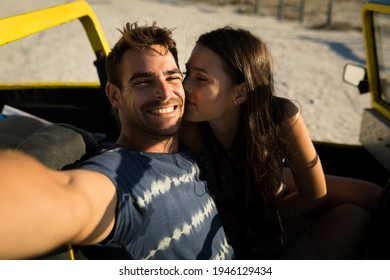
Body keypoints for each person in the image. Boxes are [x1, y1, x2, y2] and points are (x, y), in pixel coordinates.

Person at [0, 22, 235, 260]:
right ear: (115, 95)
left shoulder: (192, 142)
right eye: (144, 82)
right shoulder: (119, 175)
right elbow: (68, 200)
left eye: (172, 78)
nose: (165, 94)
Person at [180, 26, 383, 259]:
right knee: (353, 216)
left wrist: (261, 219)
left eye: (201, 79)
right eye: (187, 73)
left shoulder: (280, 117)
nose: (185, 86)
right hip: (244, 222)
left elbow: (315, 193)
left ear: (240, 93)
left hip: (269, 196)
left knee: (372, 195)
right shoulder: (190, 127)